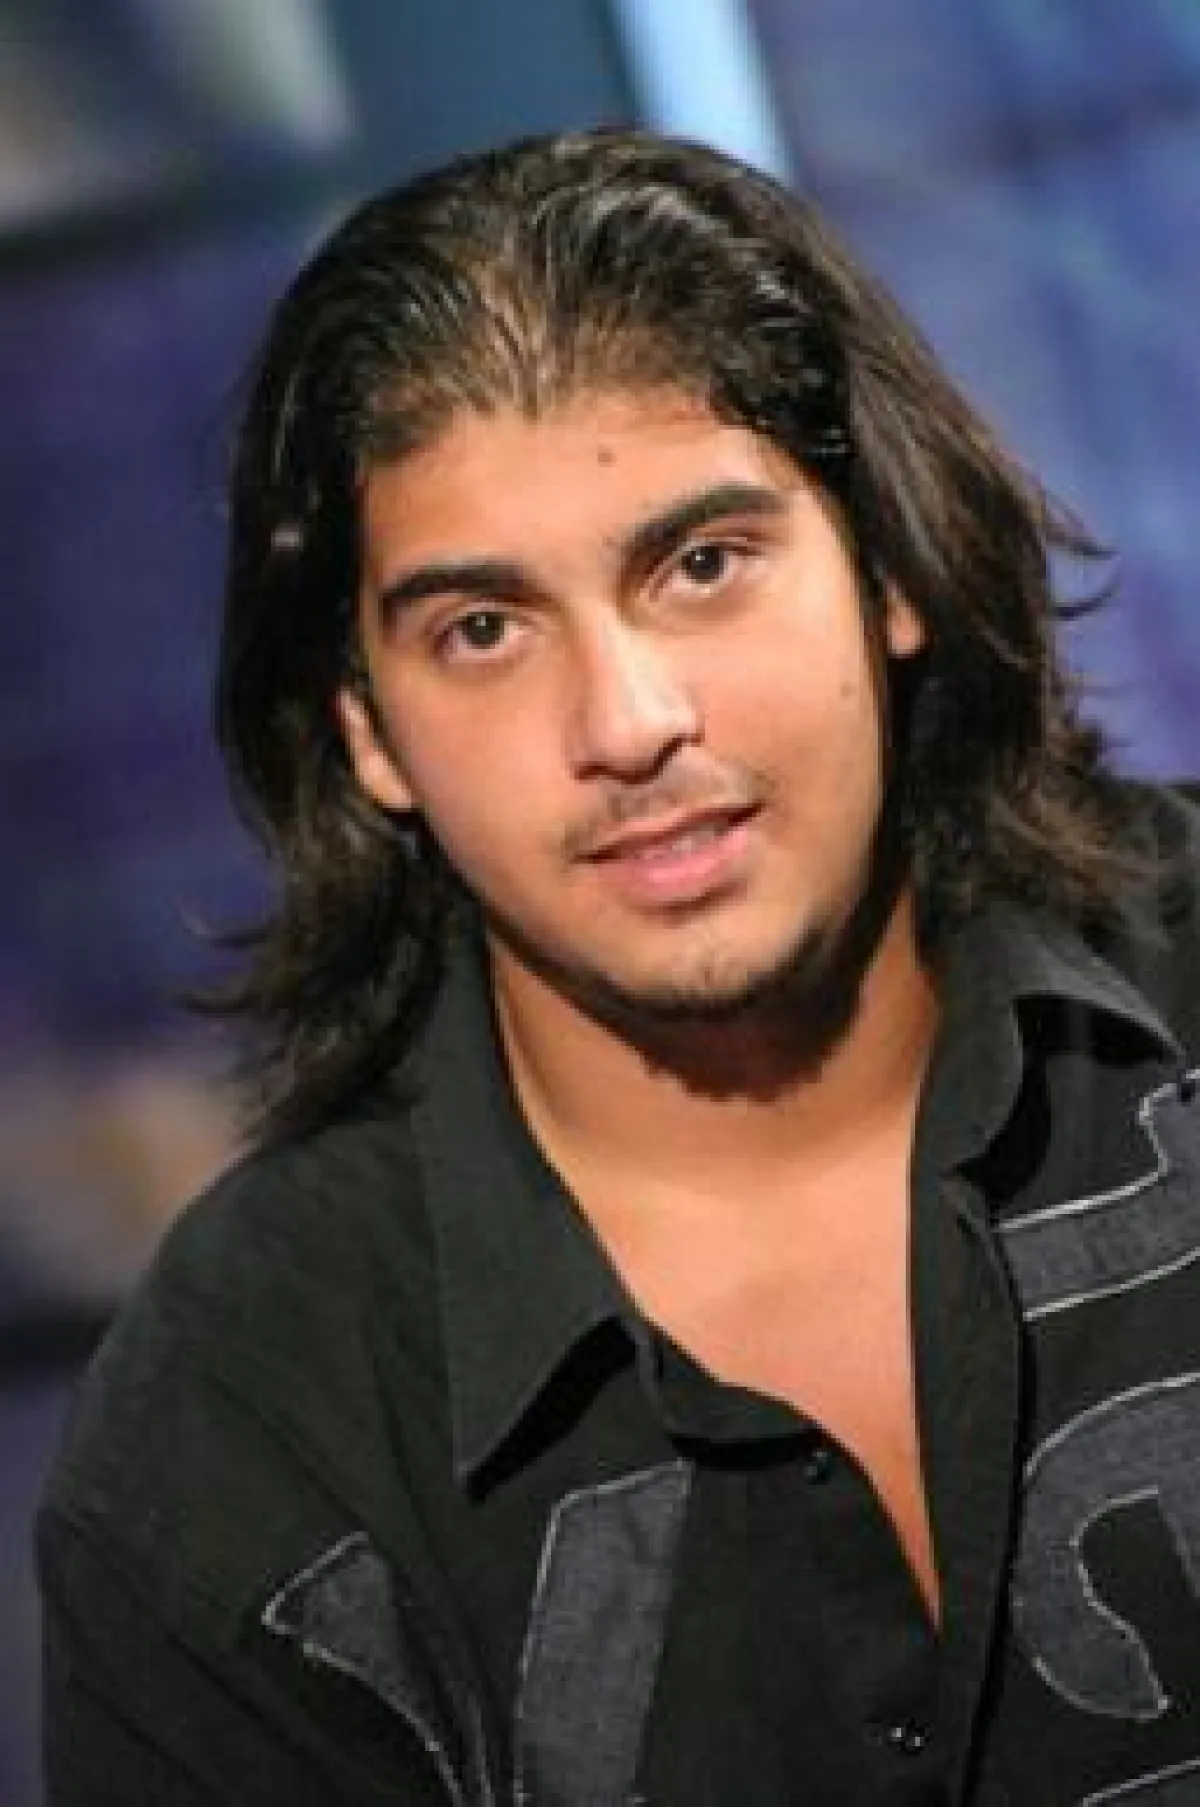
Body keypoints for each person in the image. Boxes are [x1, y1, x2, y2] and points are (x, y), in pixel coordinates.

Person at [36, 127, 1200, 1806]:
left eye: (702, 565)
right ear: (369, 732)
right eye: (484, 631)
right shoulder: (248, 1428)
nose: (630, 723)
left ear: (887, 570)